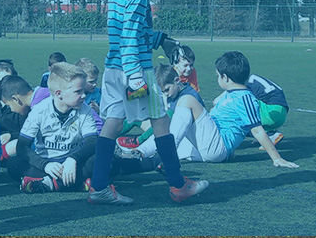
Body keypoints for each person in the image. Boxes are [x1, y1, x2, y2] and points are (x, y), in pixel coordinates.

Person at [88, 0, 208, 205]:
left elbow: (128, 32)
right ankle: (179, 185)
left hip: (114, 68)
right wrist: (136, 77)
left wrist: (161, 39)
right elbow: (131, 37)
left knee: (112, 124)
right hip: (135, 70)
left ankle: (99, 188)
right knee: (161, 121)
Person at [127, 56, 298, 168]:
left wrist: (276, 158)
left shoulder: (246, 98)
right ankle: (137, 153)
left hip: (217, 147)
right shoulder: (231, 94)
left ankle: (166, 156)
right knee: (160, 144)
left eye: (218, 75)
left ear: (225, 78)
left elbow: (257, 129)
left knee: (187, 101)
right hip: (210, 145)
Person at [17, 63, 99, 193]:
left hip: (75, 163)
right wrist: (45, 165)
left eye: (84, 91)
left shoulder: (85, 110)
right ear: (59, 94)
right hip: (47, 163)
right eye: (78, 92)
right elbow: (22, 146)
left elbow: (93, 142)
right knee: (14, 164)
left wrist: (73, 159)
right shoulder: (39, 110)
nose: (84, 95)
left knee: (103, 158)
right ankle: (78, 183)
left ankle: (49, 184)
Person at [0, 74, 34, 179]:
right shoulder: (42, 98)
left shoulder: (39, 108)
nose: (11, 110)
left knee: (15, 164)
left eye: (9, 106)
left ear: (16, 99)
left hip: (57, 154)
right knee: (14, 164)